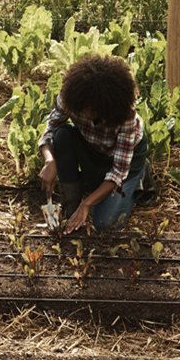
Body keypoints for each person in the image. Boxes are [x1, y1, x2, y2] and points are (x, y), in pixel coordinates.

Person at [38, 54, 153, 234]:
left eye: (93, 110)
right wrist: (49, 160)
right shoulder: (72, 98)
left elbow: (117, 172)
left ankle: (141, 175)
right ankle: (71, 203)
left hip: (124, 162)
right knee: (62, 135)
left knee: (105, 224)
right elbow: (50, 129)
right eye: (84, 108)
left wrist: (87, 204)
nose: (86, 113)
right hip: (92, 148)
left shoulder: (125, 115)